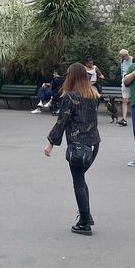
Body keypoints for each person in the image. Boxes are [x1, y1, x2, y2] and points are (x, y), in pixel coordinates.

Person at [43, 63, 101, 235]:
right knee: (81, 180)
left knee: (78, 183)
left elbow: (61, 122)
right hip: (93, 143)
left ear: (72, 77)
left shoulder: (70, 97)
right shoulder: (93, 95)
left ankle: (84, 223)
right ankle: (87, 215)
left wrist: (50, 143)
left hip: (78, 145)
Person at [117, 49, 134, 126]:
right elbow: (122, 71)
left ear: (127, 55)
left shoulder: (134, 60)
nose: (122, 58)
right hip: (125, 81)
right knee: (125, 100)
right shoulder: (122, 61)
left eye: (123, 56)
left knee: (134, 100)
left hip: (133, 81)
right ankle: (124, 119)